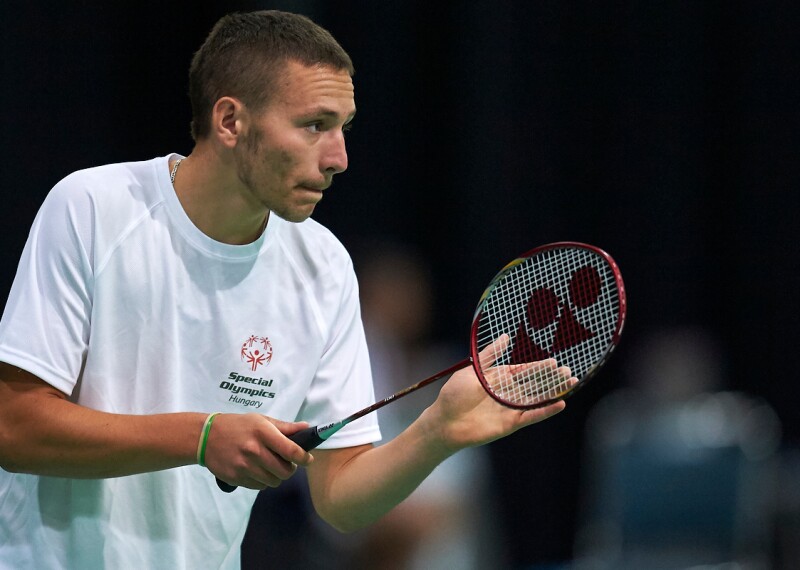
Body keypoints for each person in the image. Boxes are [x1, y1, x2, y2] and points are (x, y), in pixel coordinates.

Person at [0, 10, 571, 569]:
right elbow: (13, 426)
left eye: (344, 127)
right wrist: (200, 438)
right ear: (230, 121)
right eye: (314, 125)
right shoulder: (93, 207)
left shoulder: (322, 266)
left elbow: (340, 499)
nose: (340, 158)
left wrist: (435, 435)